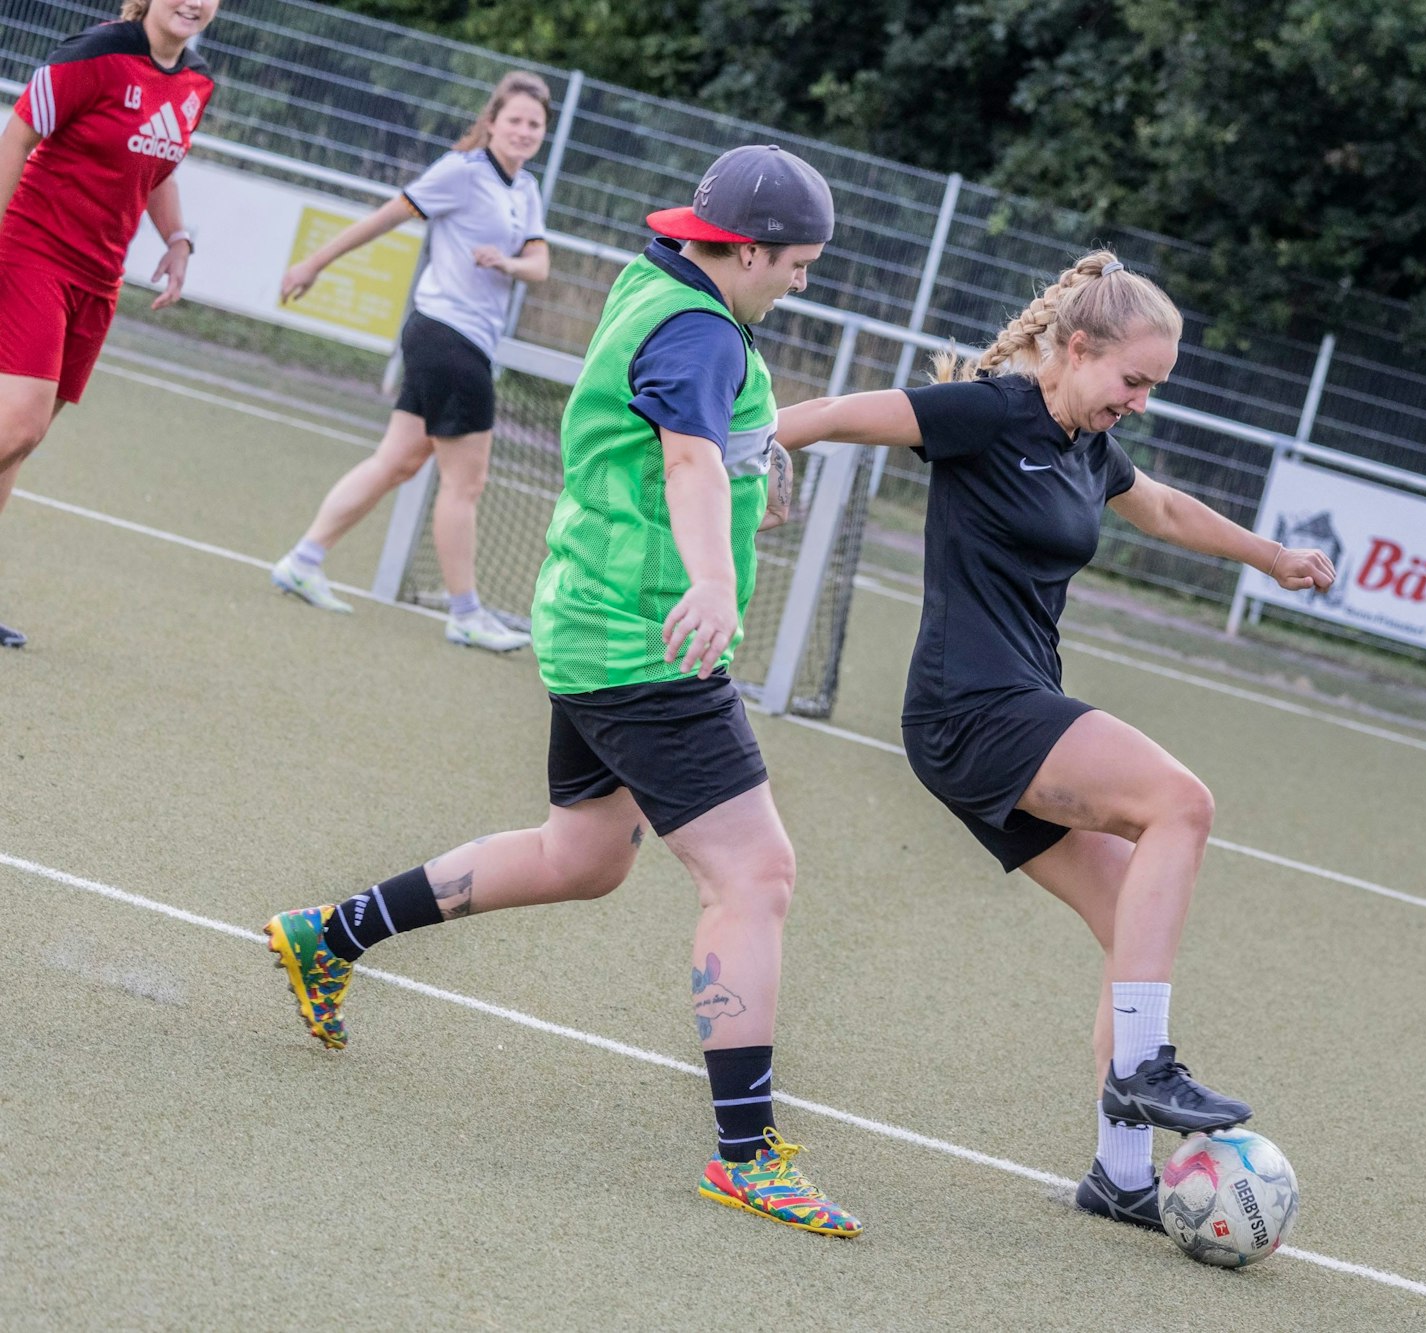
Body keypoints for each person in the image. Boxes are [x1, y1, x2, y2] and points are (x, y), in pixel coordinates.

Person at [264, 144, 859, 1237]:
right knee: (755, 874)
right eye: (798, 265)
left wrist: (743, 475)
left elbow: (687, 448)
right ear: (745, 250)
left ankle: (329, 934)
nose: (801, 284)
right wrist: (719, 578)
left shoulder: (659, 283)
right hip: (646, 640)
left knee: (578, 858)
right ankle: (745, 1153)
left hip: (593, 621)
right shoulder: (694, 327)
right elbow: (681, 460)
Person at [775, 250, 1335, 1232]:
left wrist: (1271, 557)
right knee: (1180, 802)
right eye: (1132, 380)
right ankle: (1142, 1067)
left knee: (1130, 919)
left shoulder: (1086, 440)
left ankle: (1119, 1174)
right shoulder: (990, 411)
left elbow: (1158, 507)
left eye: (1152, 387)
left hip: (1006, 706)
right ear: (1076, 349)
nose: (1141, 402)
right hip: (968, 710)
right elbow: (828, 417)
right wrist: (747, 448)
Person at [268, 71, 552, 653]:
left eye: (535, 124)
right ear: (492, 121)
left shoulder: (525, 188)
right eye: (516, 120)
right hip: (447, 336)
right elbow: (388, 216)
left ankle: (303, 559)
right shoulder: (462, 172)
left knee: (397, 461)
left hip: (463, 339)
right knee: (466, 483)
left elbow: (540, 264)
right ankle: (466, 613)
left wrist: (508, 263)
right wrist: (314, 262)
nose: (525, 132)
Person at [0, 0, 218, 649]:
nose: (194, 1)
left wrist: (176, 238)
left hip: (99, 279)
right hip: (31, 250)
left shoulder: (197, 81)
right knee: (21, 421)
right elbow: (17, 136)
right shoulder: (93, 54)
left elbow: (156, 167)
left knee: (17, 443)